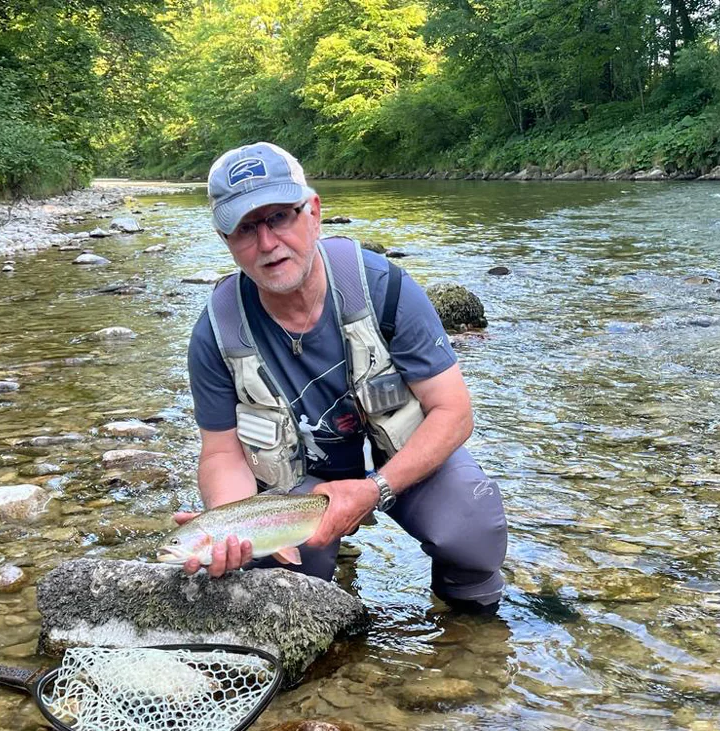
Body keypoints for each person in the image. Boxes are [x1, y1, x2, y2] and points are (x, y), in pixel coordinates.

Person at [179, 141, 507, 612]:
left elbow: (453, 412)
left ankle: (470, 640)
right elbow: (221, 454)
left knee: (472, 529)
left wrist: (373, 490)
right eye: (246, 229)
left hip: (396, 461)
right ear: (225, 240)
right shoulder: (216, 333)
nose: (268, 244)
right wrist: (231, 525)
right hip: (296, 483)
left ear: (313, 211)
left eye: (279, 217)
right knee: (274, 577)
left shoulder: (385, 289)